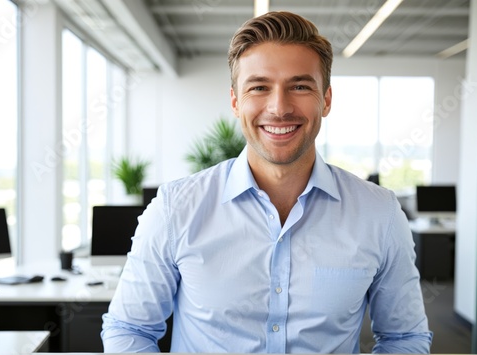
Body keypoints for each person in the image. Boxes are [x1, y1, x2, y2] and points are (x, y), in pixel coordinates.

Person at [101, 11, 432, 353]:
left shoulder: (379, 213)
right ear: (235, 101)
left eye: (300, 86)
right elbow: (129, 330)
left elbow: (404, 338)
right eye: (259, 87)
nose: (279, 107)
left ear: (327, 99)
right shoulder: (176, 209)